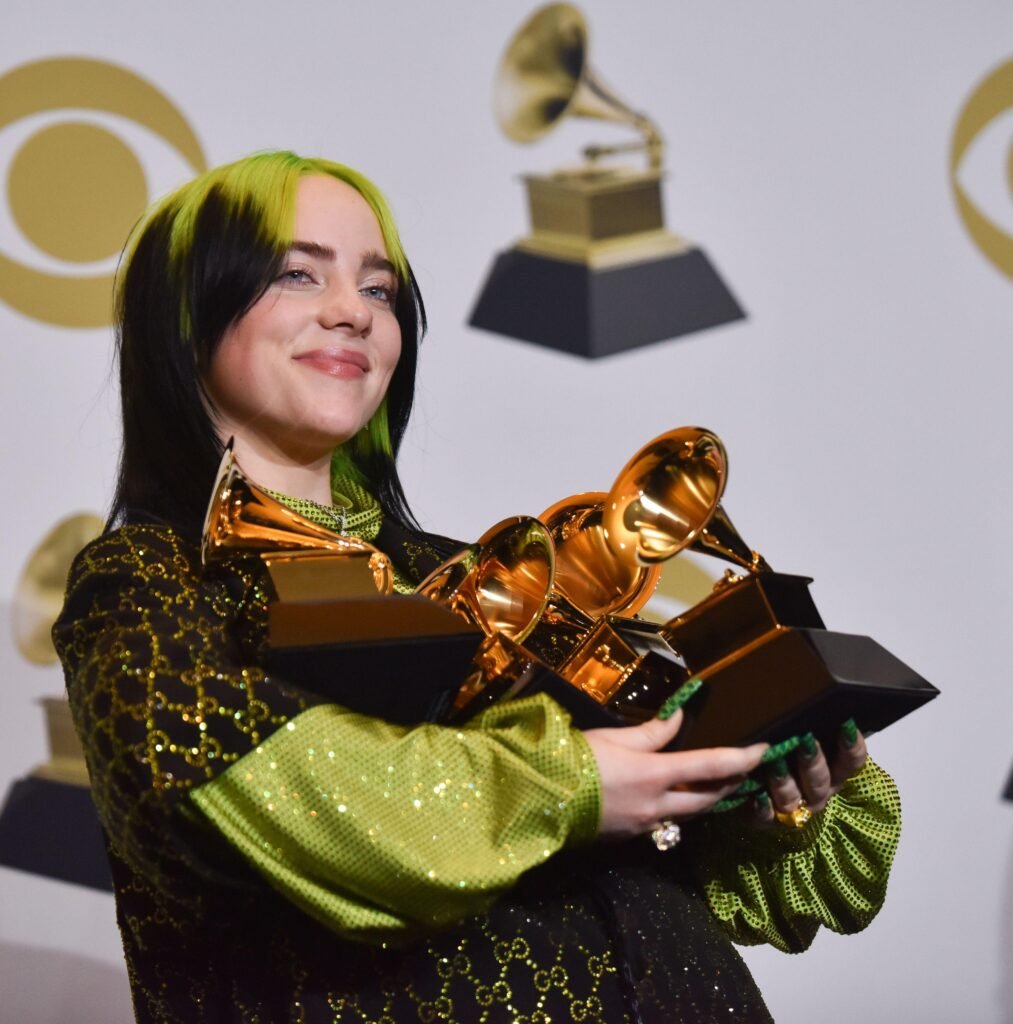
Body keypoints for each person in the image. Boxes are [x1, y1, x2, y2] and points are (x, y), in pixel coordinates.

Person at [54, 151, 901, 1024]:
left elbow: (754, 888)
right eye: (297, 275)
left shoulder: (462, 568)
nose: (352, 312)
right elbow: (289, 797)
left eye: (379, 290)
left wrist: (742, 795)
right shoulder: (144, 581)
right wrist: (569, 782)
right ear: (185, 321)